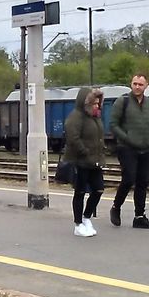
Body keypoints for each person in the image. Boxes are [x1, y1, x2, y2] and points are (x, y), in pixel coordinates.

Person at [109, 73, 149, 229]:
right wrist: (127, 138)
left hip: (146, 148)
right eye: (135, 84)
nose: (137, 87)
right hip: (127, 148)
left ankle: (139, 217)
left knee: (143, 182)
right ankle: (116, 207)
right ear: (131, 84)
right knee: (129, 178)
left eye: (140, 84)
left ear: (146, 86)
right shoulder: (122, 101)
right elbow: (113, 124)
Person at [63, 87, 105, 237]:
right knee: (80, 192)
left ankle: (87, 217)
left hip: (95, 161)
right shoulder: (76, 117)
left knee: (98, 189)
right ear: (85, 102)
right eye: (94, 103)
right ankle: (78, 224)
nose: (97, 106)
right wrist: (85, 152)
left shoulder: (95, 117)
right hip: (80, 161)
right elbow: (73, 138)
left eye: (98, 103)